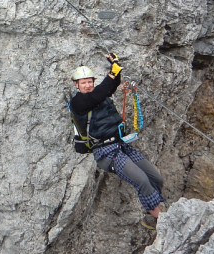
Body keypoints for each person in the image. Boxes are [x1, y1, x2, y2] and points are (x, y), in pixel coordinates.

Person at [69, 54, 164, 230]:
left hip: (121, 145)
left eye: (90, 81)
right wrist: (112, 74)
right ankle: (160, 219)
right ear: (77, 85)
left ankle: (150, 213)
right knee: (142, 180)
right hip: (106, 152)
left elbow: (109, 87)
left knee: (155, 177)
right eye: (83, 82)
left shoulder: (100, 95)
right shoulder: (78, 102)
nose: (88, 85)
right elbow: (97, 94)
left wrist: (115, 65)